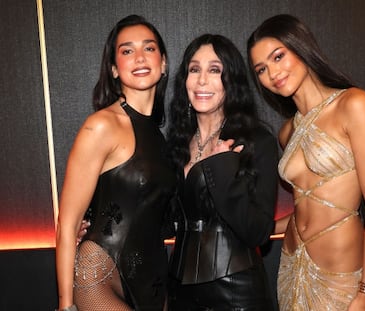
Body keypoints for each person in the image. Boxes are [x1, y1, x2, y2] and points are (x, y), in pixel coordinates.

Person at [247, 14, 365, 311]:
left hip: (339, 274)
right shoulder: (287, 132)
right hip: (291, 265)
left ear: (300, 47)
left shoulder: (353, 104)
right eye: (261, 69)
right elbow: (306, 204)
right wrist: (259, 228)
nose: (272, 72)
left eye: (278, 56)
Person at [55, 15, 175, 311]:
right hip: (99, 275)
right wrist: (66, 305)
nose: (139, 58)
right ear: (114, 70)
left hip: (153, 278)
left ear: (163, 64)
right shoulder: (101, 126)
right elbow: (68, 224)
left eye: (149, 48)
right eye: (126, 51)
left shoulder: (160, 137)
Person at [165, 34, 278, 310]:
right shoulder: (176, 143)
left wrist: (222, 169)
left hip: (237, 292)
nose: (202, 80)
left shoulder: (256, 140)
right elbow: (165, 220)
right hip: (180, 292)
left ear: (231, 81)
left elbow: (259, 233)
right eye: (194, 69)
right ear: (185, 80)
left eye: (215, 70)